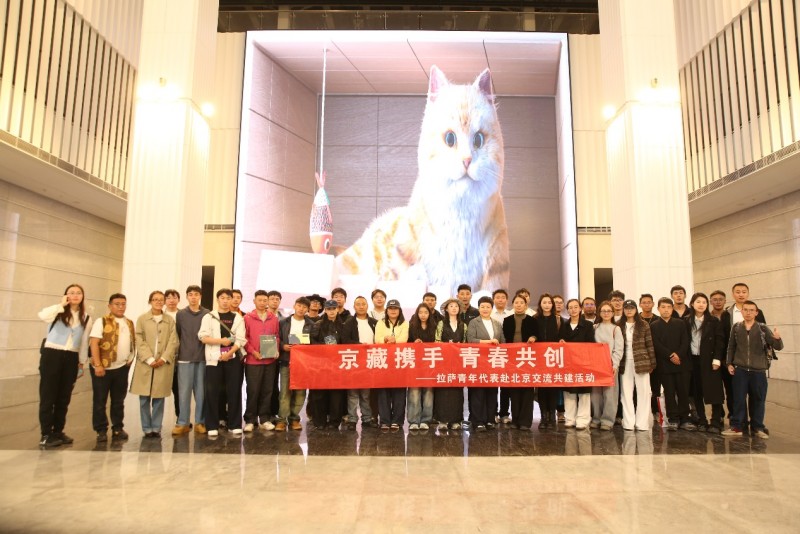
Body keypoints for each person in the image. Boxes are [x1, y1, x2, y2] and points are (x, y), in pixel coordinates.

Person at [37, 284, 91, 447]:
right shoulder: (57, 311)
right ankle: (46, 434)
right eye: (71, 293)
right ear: (66, 295)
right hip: (52, 354)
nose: (75, 295)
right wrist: (61, 305)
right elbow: (42, 315)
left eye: (78, 293)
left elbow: (84, 342)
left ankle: (58, 431)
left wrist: (81, 362)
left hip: (71, 357)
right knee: (48, 396)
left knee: (64, 397)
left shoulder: (86, 317)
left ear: (82, 296)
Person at [723, 301, 783, 438]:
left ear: (756, 312)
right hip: (740, 370)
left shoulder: (762, 328)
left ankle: (758, 427)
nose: (748, 313)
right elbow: (731, 346)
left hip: (758, 370)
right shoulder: (736, 327)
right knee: (738, 399)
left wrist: (777, 338)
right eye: (745, 310)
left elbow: (778, 346)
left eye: (751, 310)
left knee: (758, 399)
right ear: (742, 312)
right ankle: (737, 427)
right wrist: (729, 363)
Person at [198, 289, 246, 437]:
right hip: (214, 359)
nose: (225, 301)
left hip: (233, 359)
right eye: (222, 298)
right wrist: (221, 341)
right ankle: (212, 425)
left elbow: (241, 339)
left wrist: (229, 353)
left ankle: (234, 424)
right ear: (217, 299)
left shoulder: (237, 317)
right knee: (212, 391)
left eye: (228, 298)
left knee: (234, 391)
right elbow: (203, 337)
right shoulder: (209, 317)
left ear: (231, 300)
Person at [131, 291, 179, 439]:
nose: (158, 302)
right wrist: (149, 359)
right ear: (150, 301)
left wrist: (164, 358)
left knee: (159, 397)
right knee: (144, 398)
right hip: (146, 363)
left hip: (163, 363)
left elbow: (173, 340)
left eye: (161, 300)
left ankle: (156, 427)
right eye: (155, 299)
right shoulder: (142, 319)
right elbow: (139, 339)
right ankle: (146, 428)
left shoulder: (170, 320)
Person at [89, 293, 134, 442]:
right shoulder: (101, 321)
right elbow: (94, 343)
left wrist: (130, 358)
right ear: (109, 306)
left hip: (121, 368)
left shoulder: (129, 323)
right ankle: (101, 430)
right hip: (103, 368)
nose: (121, 307)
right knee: (100, 401)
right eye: (117, 304)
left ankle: (117, 428)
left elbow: (131, 342)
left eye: (123, 304)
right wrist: (98, 364)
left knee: (118, 401)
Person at [650, 297, 693, 431]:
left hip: (681, 363)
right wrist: (670, 355)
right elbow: (656, 344)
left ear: (672, 308)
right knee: (669, 392)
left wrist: (678, 354)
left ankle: (685, 419)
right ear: (658, 309)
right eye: (663, 307)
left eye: (669, 307)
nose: (666, 310)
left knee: (683, 392)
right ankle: (673, 419)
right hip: (664, 364)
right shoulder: (654, 325)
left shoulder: (680, 323)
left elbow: (685, 341)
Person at [684, 293, 725, 433]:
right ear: (692, 304)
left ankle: (715, 422)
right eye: (698, 302)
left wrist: (717, 359)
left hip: (710, 360)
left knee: (714, 391)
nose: (701, 304)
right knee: (697, 392)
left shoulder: (713, 321)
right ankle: (702, 420)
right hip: (693, 360)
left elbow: (720, 341)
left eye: (704, 302)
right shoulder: (686, 321)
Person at [242, 290, 280, 432]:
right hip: (253, 361)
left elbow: (276, 336)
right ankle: (250, 420)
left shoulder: (273, 318)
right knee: (253, 390)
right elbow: (244, 338)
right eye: (260, 300)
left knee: (267, 390)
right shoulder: (247, 318)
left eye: (265, 300)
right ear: (254, 301)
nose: (263, 303)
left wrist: (276, 349)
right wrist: (253, 352)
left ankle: (264, 419)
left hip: (270, 361)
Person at [466, 296, 505, 432]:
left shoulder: (497, 324)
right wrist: (488, 342)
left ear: (491, 308)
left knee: (492, 392)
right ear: (478, 308)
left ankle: (489, 419)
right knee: (478, 393)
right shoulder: (473, 322)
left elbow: (502, 341)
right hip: (478, 362)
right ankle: (478, 421)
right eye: (482, 307)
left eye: (488, 307)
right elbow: (471, 340)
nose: (485, 309)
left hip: (493, 363)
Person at [173, 285, 208, 436]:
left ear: (200, 296)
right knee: (184, 393)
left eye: (196, 294)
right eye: (190, 294)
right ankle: (183, 423)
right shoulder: (181, 314)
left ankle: (200, 422)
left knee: (201, 393)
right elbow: (179, 333)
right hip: (184, 358)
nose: (193, 297)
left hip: (202, 358)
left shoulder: (207, 314)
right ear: (187, 297)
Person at [309, 300, 350, 429]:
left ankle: (334, 421)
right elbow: (311, 342)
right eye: (329, 309)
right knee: (319, 393)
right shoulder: (318, 324)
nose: (331, 311)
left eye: (334, 309)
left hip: (337, 364)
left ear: (337, 309)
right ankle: (319, 421)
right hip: (320, 364)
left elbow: (347, 343)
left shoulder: (343, 325)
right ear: (325, 310)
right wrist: (324, 348)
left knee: (336, 394)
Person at [617, 300, 656, 432]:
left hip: (642, 362)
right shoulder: (618, 325)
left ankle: (642, 423)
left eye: (631, 308)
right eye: (626, 308)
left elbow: (649, 344)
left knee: (644, 393)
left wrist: (652, 362)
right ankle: (628, 422)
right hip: (624, 362)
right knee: (626, 393)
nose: (629, 310)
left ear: (635, 309)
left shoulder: (643, 324)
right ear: (623, 310)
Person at [277, 297, 315, 431]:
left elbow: (314, 343)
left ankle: (294, 419)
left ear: (307, 309)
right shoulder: (283, 322)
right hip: (286, 361)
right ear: (294, 306)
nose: (301, 309)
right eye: (299, 306)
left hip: (303, 364)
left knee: (300, 393)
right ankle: (282, 420)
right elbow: (277, 338)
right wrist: (283, 346)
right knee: (285, 392)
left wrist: (306, 347)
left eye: (304, 307)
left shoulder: (311, 324)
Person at [559, 298, 595, 430]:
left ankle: (583, 419)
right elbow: (560, 340)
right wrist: (561, 341)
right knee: (569, 392)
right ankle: (570, 418)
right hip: (568, 363)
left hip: (583, 363)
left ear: (580, 309)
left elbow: (591, 343)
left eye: (575, 307)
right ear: (567, 310)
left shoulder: (588, 325)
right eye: (570, 307)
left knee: (583, 392)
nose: (573, 310)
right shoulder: (564, 325)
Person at [503, 294, 537, 429]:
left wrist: (534, 337)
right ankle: (515, 419)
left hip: (527, 359)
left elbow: (538, 334)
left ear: (526, 305)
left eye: (521, 303)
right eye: (516, 303)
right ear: (513, 305)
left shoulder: (532, 320)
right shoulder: (507, 320)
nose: (518, 305)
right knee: (514, 390)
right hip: (511, 359)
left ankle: (525, 421)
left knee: (527, 390)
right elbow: (504, 338)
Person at [343, 296, 377, 430]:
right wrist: (359, 345)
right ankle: (352, 419)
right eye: (358, 304)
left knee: (366, 393)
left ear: (367, 306)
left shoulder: (374, 322)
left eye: (363, 304)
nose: (361, 306)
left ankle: (367, 418)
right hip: (354, 361)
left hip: (369, 361)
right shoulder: (349, 323)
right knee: (352, 393)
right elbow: (345, 340)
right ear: (354, 307)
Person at [375, 299, 409, 431]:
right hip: (383, 361)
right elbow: (377, 339)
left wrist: (395, 340)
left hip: (399, 361)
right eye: (390, 308)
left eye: (396, 308)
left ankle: (397, 421)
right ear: (387, 310)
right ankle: (384, 420)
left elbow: (404, 339)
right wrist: (384, 339)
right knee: (383, 392)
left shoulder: (405, 323)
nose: (393, 311)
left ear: (399, 310)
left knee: (399, 392)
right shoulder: (380, 323)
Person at [590, 301, 623, 430]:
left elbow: (618, 349)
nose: (606, 313)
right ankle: (596, 418)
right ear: (599, 313)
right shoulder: (594, 327)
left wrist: (615, 364)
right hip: (595, 365)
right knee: (596, 394)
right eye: (603, 311)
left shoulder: (616, 329)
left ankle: (608, 421)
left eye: (608, 311)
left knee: (610, 394)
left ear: (613, 313)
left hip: (610, 365)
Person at [435, 299, 467, 431]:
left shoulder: (463, 325)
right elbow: (436, 341)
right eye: (451, 306)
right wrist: (447, 345)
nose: (454, 308)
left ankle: (456, 420)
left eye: (456, 306)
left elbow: (466, 343)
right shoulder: (441, 323)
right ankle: (442, 420)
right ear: (446, 309)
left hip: (458, 362)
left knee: (457, 390)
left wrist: (459, 346)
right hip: (444, 361)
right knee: (443, 390)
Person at [407, 303, 436, 430]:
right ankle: (413, 420)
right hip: (415, 364)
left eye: (426, 312)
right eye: (420, 312)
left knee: (428, 392)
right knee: (414, 392)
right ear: (417, 314)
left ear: (429, 314)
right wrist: (414, 343)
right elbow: (406, 343)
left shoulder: (434, 326)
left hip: (430, 364)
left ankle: (426, 420)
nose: (423, 315)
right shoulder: (412, 326)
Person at [533, 293, 560, 429]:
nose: (547, 305)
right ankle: (543, 416)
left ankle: (552, 416)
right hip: (539, 358)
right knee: (542, 388)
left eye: (549, 302)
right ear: (540, 304)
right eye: (544, 302)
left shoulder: (558, 320)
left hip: (554, 358)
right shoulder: (534, 319)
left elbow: (562, 336)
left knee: (553, 388)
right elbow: (531, 334)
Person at [709, 289, 734, 419]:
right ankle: (718, 414)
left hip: (729, 359)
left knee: (731, 388)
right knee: (715, 388)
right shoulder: (707, 317)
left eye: (720, 299)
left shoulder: (730, 317)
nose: (718, 302)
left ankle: (733, 413)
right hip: (713, 359)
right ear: (710, 302)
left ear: (725, 301)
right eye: (715, 300)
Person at [163, 289, 182, 421]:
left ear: (178, 300)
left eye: (174, 297)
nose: (171, 300)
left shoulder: (183, 315)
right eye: (168, 298)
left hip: (180, 357)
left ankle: (180, 418)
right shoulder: (161, 316)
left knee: (179, 389)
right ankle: (156, 423)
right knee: (160, 390)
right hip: (164, 357)